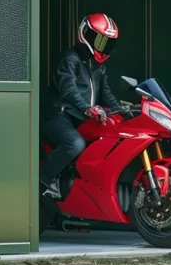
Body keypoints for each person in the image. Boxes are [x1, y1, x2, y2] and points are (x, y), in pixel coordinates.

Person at [40, 13, 122, 200]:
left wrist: (122, 112)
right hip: (57, 116)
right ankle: (41, 182)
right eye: (100, 40)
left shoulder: (98, 67)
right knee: (75, 144)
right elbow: (68, 88)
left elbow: (106, 93)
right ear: (86, 35)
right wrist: (86, 107)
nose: (103, 47)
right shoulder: (71, 58)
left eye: (108, 42)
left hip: (79, 118)